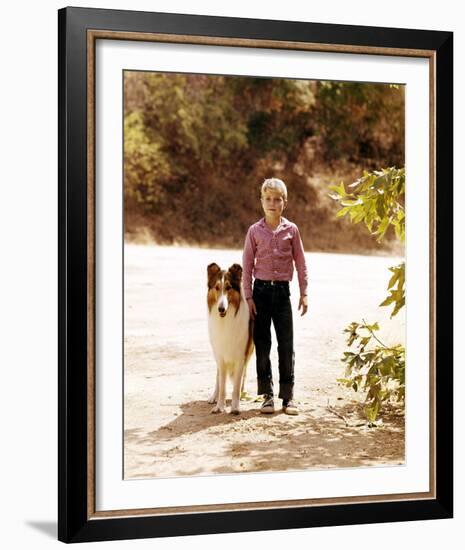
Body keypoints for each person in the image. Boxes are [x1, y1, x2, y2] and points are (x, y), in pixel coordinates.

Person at [242, 177, 308, 415]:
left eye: (277, 199)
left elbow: (300, 262)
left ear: (284, 202)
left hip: (282, 293)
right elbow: (247, 265)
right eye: (268, 199)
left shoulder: (292, 230)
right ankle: (267, 395)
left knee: (286, 344)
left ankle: (288, 397)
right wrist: (248, 297)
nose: (272, 203)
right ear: (261, 201)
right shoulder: (254, 231)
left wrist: (304, 292)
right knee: (262, 343)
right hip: (260, 292)